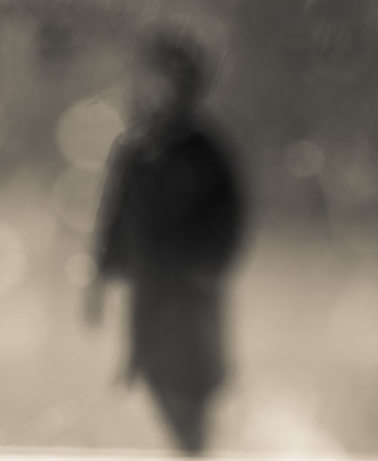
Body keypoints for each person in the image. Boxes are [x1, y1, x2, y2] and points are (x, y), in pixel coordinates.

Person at [85, 29, 246, 455]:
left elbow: (229, 217)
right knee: (156, 375)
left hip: (191, 292)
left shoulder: (205, 150)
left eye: (168, 78)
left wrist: (209, 266)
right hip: (150, 288)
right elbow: (114, 218)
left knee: (192, 381)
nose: (156, 89)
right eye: (151, 77)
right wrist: (101, 275)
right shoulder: (135, 151)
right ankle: (186, 448)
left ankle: (194, 448)